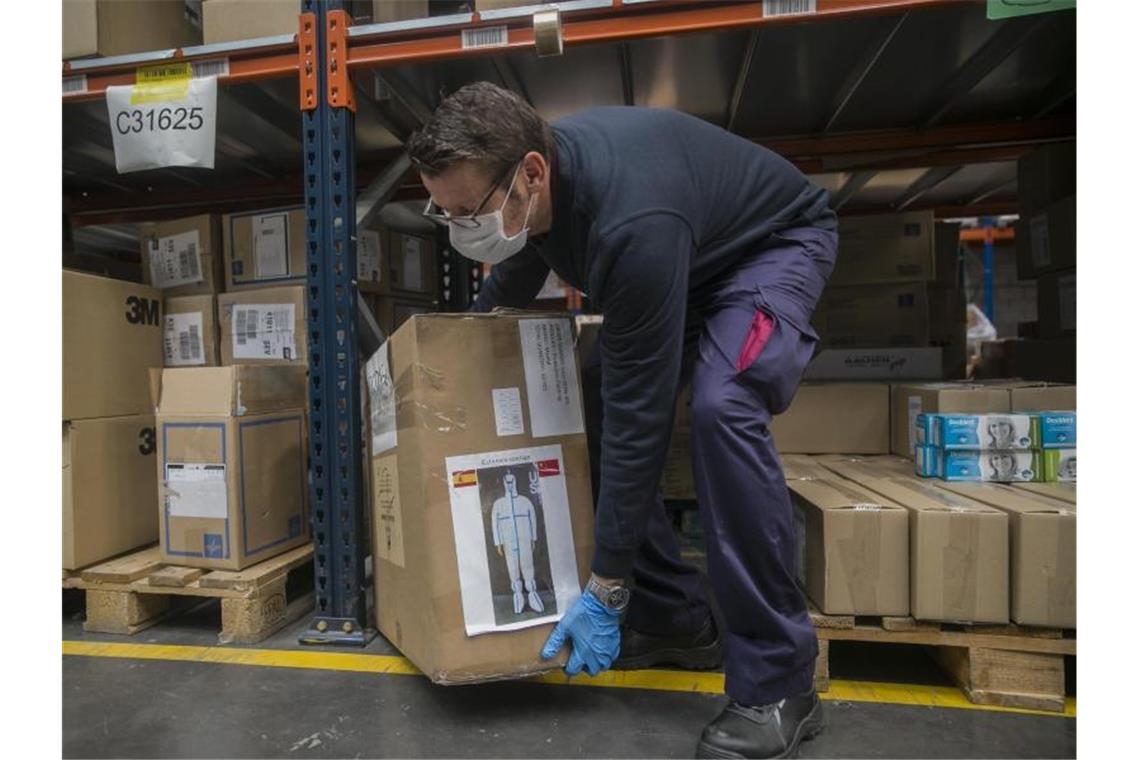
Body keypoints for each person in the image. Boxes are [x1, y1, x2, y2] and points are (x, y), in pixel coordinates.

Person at [406, 82, 837, 759]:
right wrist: (452, 348)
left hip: (768, 249)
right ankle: (674, 618)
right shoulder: (535, 191)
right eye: (447, 213)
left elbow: (643, 418)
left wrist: (606, 584)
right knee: (592, 387)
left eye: (470, 211)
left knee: (724, 407)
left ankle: (781, 683)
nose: (464, 228)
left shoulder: (631, 221)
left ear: (532, 174)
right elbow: (516, 266)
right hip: (688, 256)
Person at [491, 472, 544, 614]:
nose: (510, 485)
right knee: (513, 568)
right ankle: (518, 598)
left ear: (515, 482)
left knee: (527, 565)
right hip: (508, 542)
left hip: (524, 539)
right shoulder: (499, 504)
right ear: (503, 482)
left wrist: (533, 538)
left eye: (512, 481)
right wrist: (498, 542)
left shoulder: (525, 501)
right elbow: (495, 524)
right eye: (507, 482)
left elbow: (532, 519)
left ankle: (533, 596)